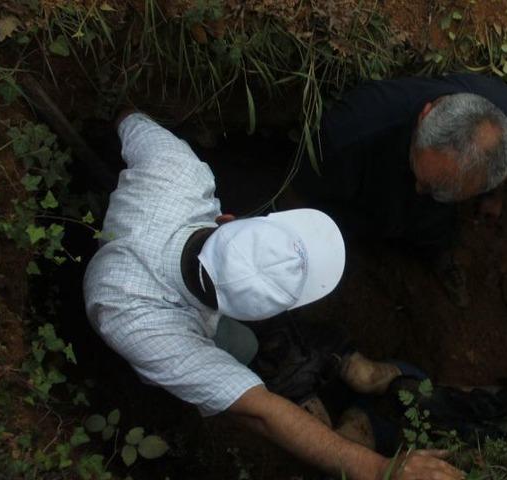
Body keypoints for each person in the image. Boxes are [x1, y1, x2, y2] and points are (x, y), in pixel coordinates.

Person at [83, 110, 464, 480]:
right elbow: (261, 412)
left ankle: (312, 362)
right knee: (243, 348)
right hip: (146, 311)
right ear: (227, 218)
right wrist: (379, 468)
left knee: (244, 346)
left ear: (227, 221)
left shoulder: (176, 172)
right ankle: (306, 369)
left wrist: (116, 117)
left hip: (143, 248)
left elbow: (129, 119)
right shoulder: (142, 327)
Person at [295, 74, 507, 307]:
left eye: (441, 191)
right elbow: (306, 191)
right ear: (424, 115)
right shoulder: (352, 129)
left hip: (433, 219)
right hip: (363, 190)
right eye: (423, 179)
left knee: (435, 227)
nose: (419, 190)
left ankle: (436, 253)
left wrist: (493, 196)